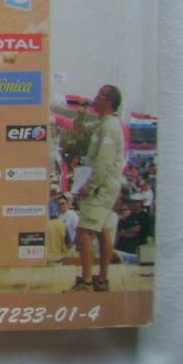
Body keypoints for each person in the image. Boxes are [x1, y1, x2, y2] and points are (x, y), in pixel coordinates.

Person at [69, 84, 125, 292]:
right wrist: (81, 113)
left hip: (100, 189)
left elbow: (103, 163)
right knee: (102, 230)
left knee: (84, 232)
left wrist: (89, 186)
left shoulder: (110, 127)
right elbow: (80, 130)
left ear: (108, 102)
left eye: (98, 96)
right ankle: (101, 280)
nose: (94, 98)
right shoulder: (103, 123)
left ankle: (86, 282)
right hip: (104, 188)